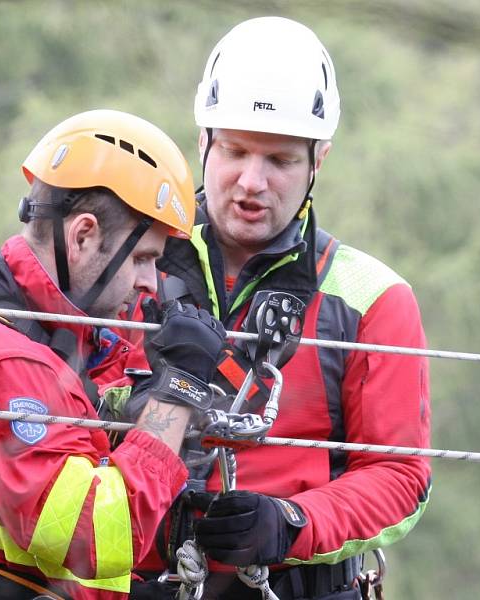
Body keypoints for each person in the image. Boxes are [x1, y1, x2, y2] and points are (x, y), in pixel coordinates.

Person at [126, 17, 432, 600]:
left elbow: (402, 478)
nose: (252, 181)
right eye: (236, 151)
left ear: (319, 160)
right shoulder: (128, 268)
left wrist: (294, 524)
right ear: (203, 143)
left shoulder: (372, 298)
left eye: (281, 161)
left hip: (297, 584)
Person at [0, 109, 228, 600]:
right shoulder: (1, 359)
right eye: (143, 258)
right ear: (82, 236)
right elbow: (90, 537)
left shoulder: (44, 334)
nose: (150, 281)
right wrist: (178, 393)